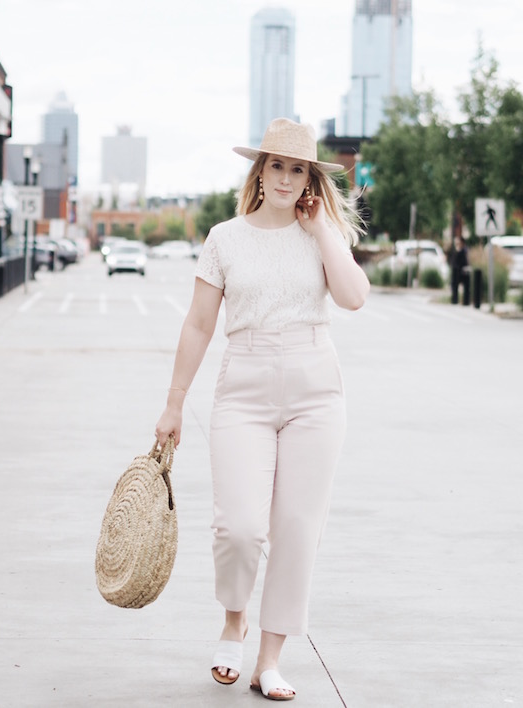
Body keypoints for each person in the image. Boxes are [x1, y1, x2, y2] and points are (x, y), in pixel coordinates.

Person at [154, 117, 370, 701]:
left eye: (296, 168)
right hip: (244, 387)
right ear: (259, 171)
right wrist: (175, 402)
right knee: (240, 528)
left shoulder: (320, 235)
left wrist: (323, 229)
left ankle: (269, 660)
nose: (284, 177)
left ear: (309, 181)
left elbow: (352, 297)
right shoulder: (225, 238)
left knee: (298, 529)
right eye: (275, 165)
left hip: (315, 388)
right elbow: (200, 324)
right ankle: (233, 620)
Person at [450, 235, 469, 305]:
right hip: (456, 271)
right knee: (454, 286)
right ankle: (455, 300)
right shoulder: (458, 250)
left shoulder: (464, 251)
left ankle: (464, 301)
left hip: (461, 272)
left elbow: (464, 262)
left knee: (464, 287)